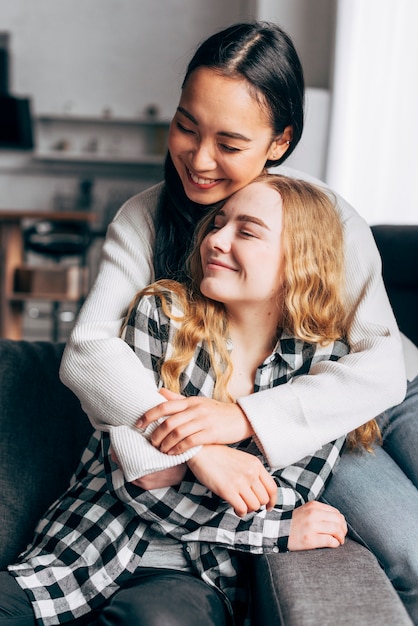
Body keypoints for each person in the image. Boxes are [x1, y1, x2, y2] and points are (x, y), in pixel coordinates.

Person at [57, 20, 417, 622]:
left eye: (229, 143)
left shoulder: (325, 218)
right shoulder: (144, 218)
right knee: (407, 547)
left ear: (279, 141)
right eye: (185, 127)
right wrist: (197, 439)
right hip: (293, 428)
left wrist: (240, 416)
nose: (198, 160)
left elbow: (378, 369)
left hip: (383, 393)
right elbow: (92, 350)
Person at [1, 174, 356, 625]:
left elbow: (285, 495)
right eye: (217, 224)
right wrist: (207, 463)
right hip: (77, 552)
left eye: (245, 232)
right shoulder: (160, 314)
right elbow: (138, 480)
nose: (215, 240)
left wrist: (172, 462)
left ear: (300, 260)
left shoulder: (329, 370)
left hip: (193, 577)